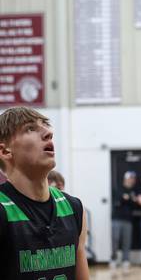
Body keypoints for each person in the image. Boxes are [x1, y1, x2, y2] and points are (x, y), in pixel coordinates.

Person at [0, 106, 90, 280]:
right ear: (5, 151)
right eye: (30, 128)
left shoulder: (74, 207)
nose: (48, 132)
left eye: (46, 125)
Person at [111, 170, 137, 270]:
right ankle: (113, 259)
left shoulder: (133, 191)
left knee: (127, 241)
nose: (131, 180)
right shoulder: (118, 189)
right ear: (126, 179)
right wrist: (128, 199)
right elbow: (119, 201)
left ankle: (126, 260)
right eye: (130, 178)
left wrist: (128, 199)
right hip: (117, 219)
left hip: (128, 220)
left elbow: (134, 203)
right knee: (115, 240)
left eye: (133, 179)